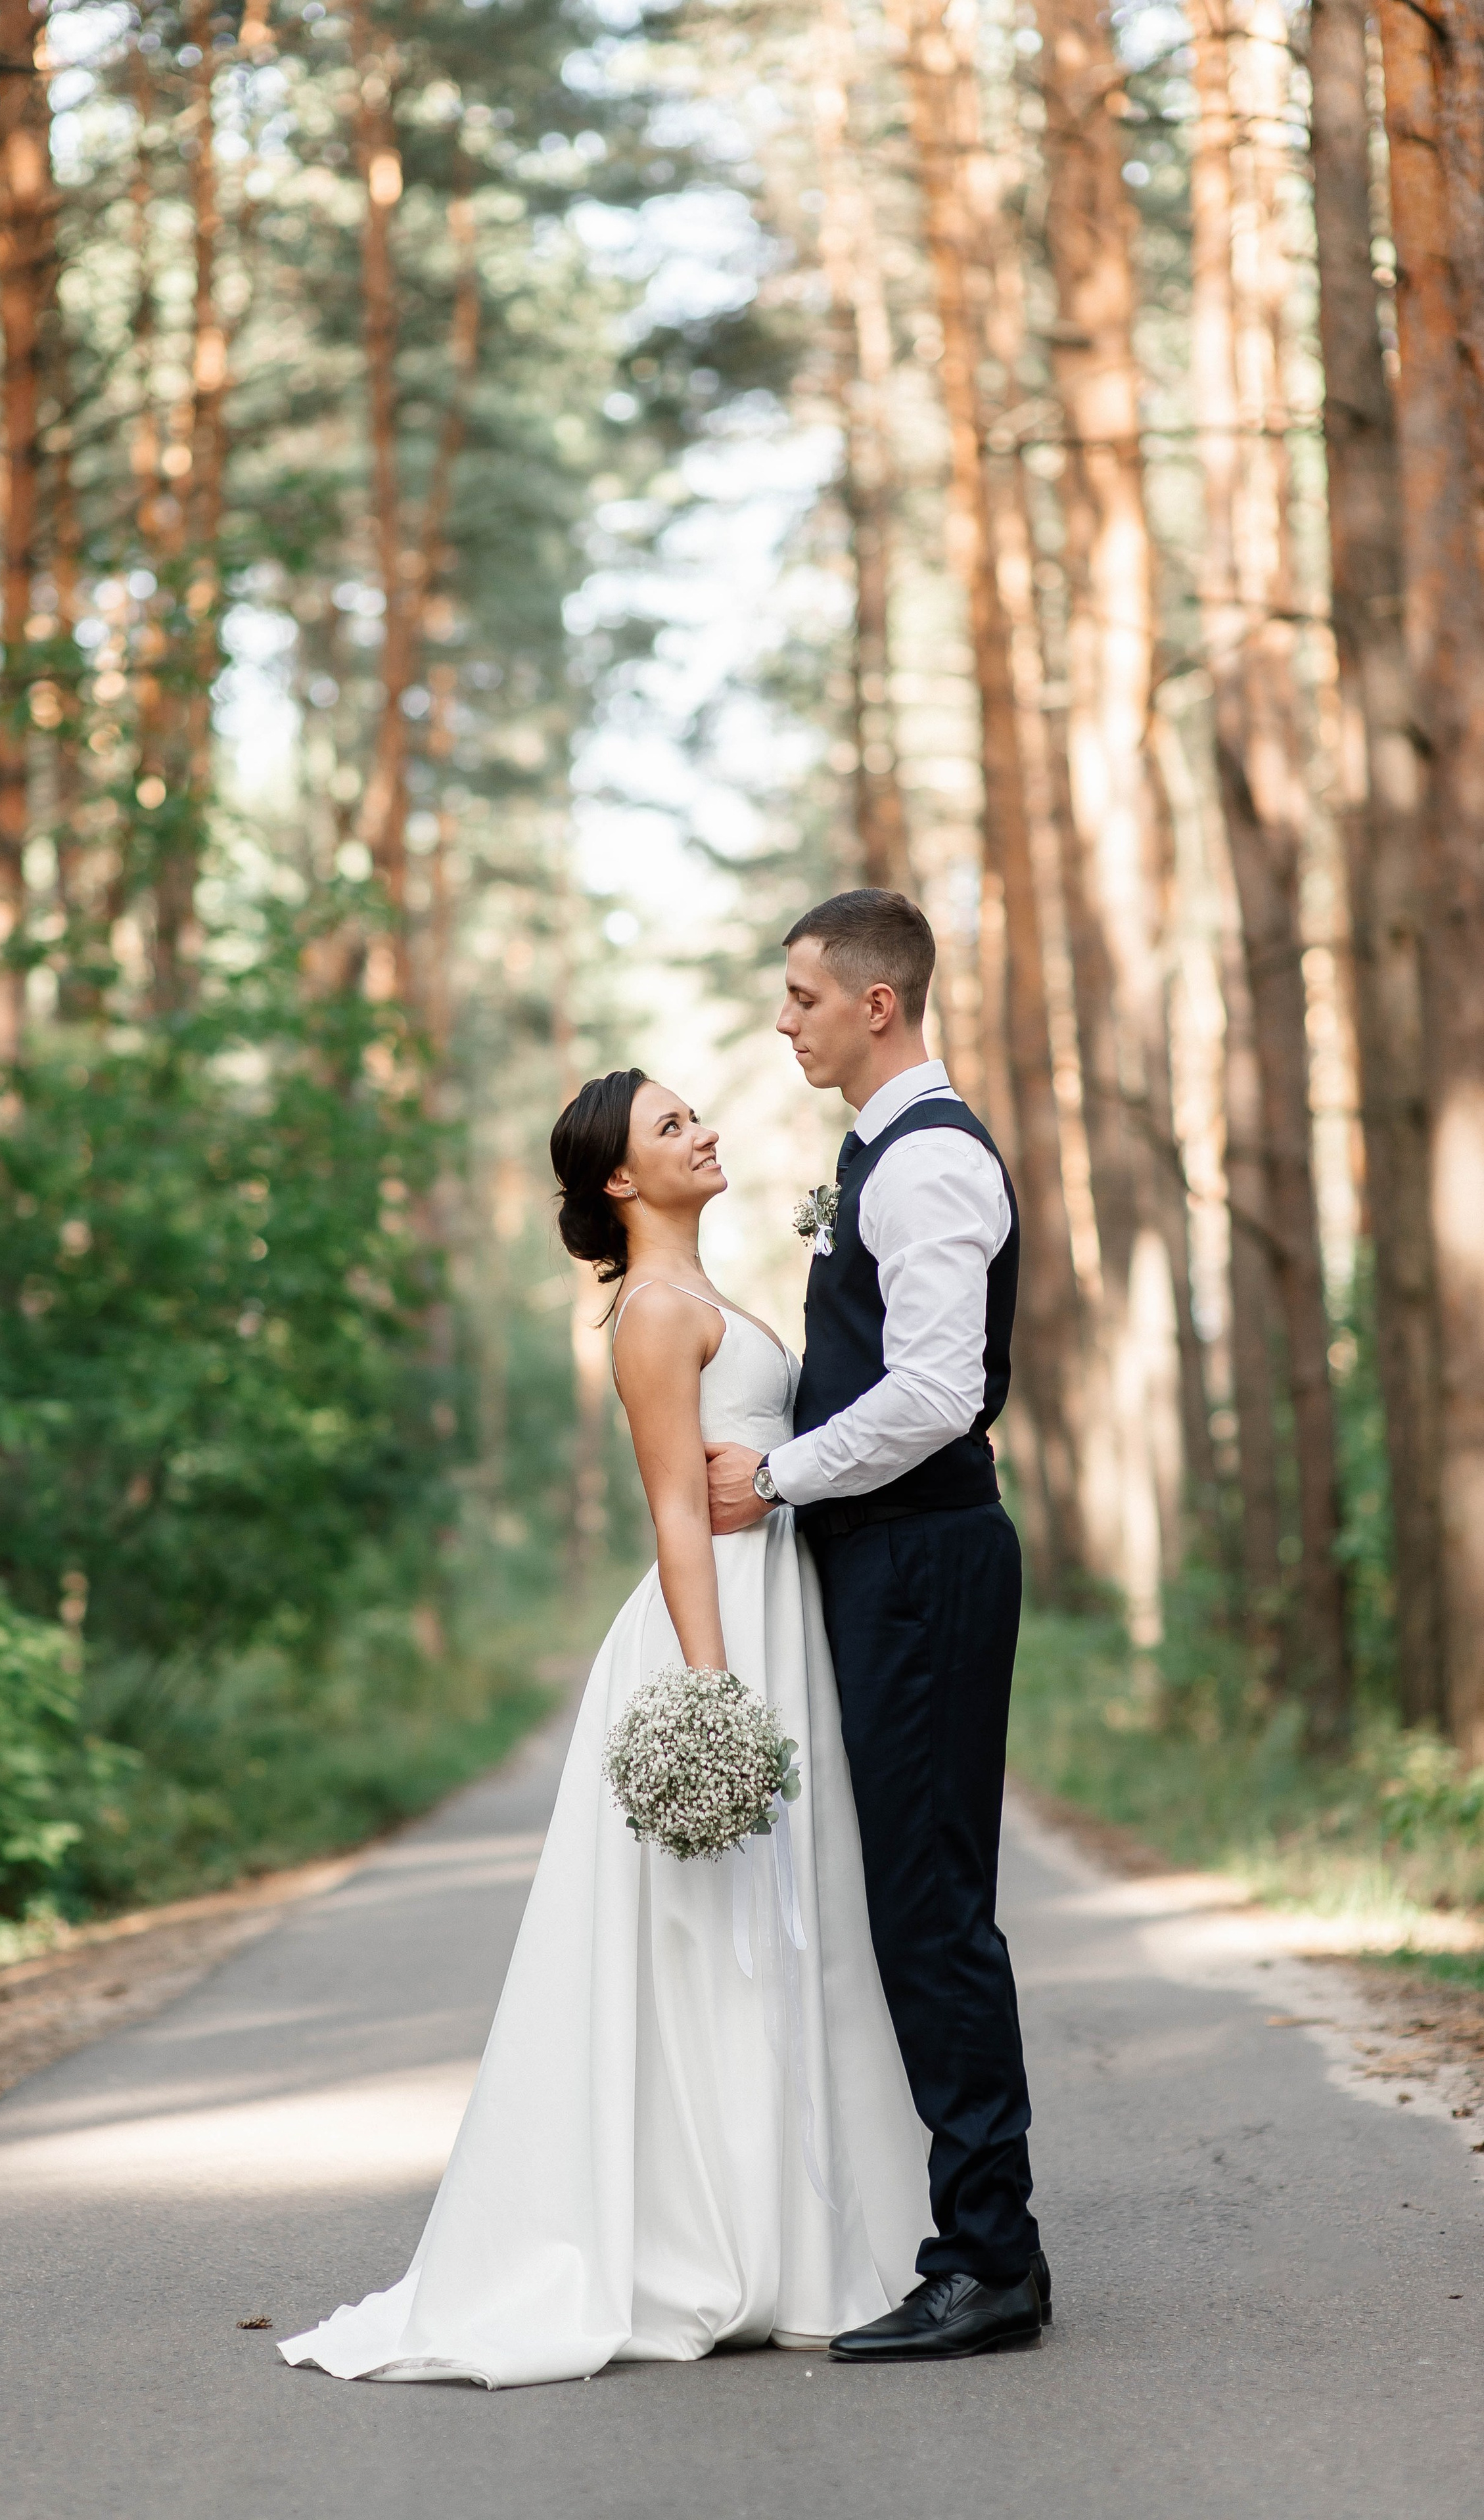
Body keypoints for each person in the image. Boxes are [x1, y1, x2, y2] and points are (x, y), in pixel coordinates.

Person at [279, 1066, 930, 2388]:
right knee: (720, 1937)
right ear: (622, 1179)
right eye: (671, 1125)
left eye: (694, 1113)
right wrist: (712, 1693)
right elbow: (675, 1511)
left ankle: (808, 2227)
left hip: (772, 1607)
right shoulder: (653, 1314)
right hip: (718, 1627)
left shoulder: (703, 1293)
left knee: (793, 1922)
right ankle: (727, 2238)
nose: (703, 1130)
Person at [705, 886, 1048, 2362]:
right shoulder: (878, 1156)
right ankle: (976, 2239)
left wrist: (775, 1477)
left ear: (876, 1003)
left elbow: (935, 1392)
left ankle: (991, 2261)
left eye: (801, 996)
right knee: (906, 1898)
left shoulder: (930, 1165)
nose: (784, 1021)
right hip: (886, 1561)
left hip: (921, 1562)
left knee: (930, 1907)